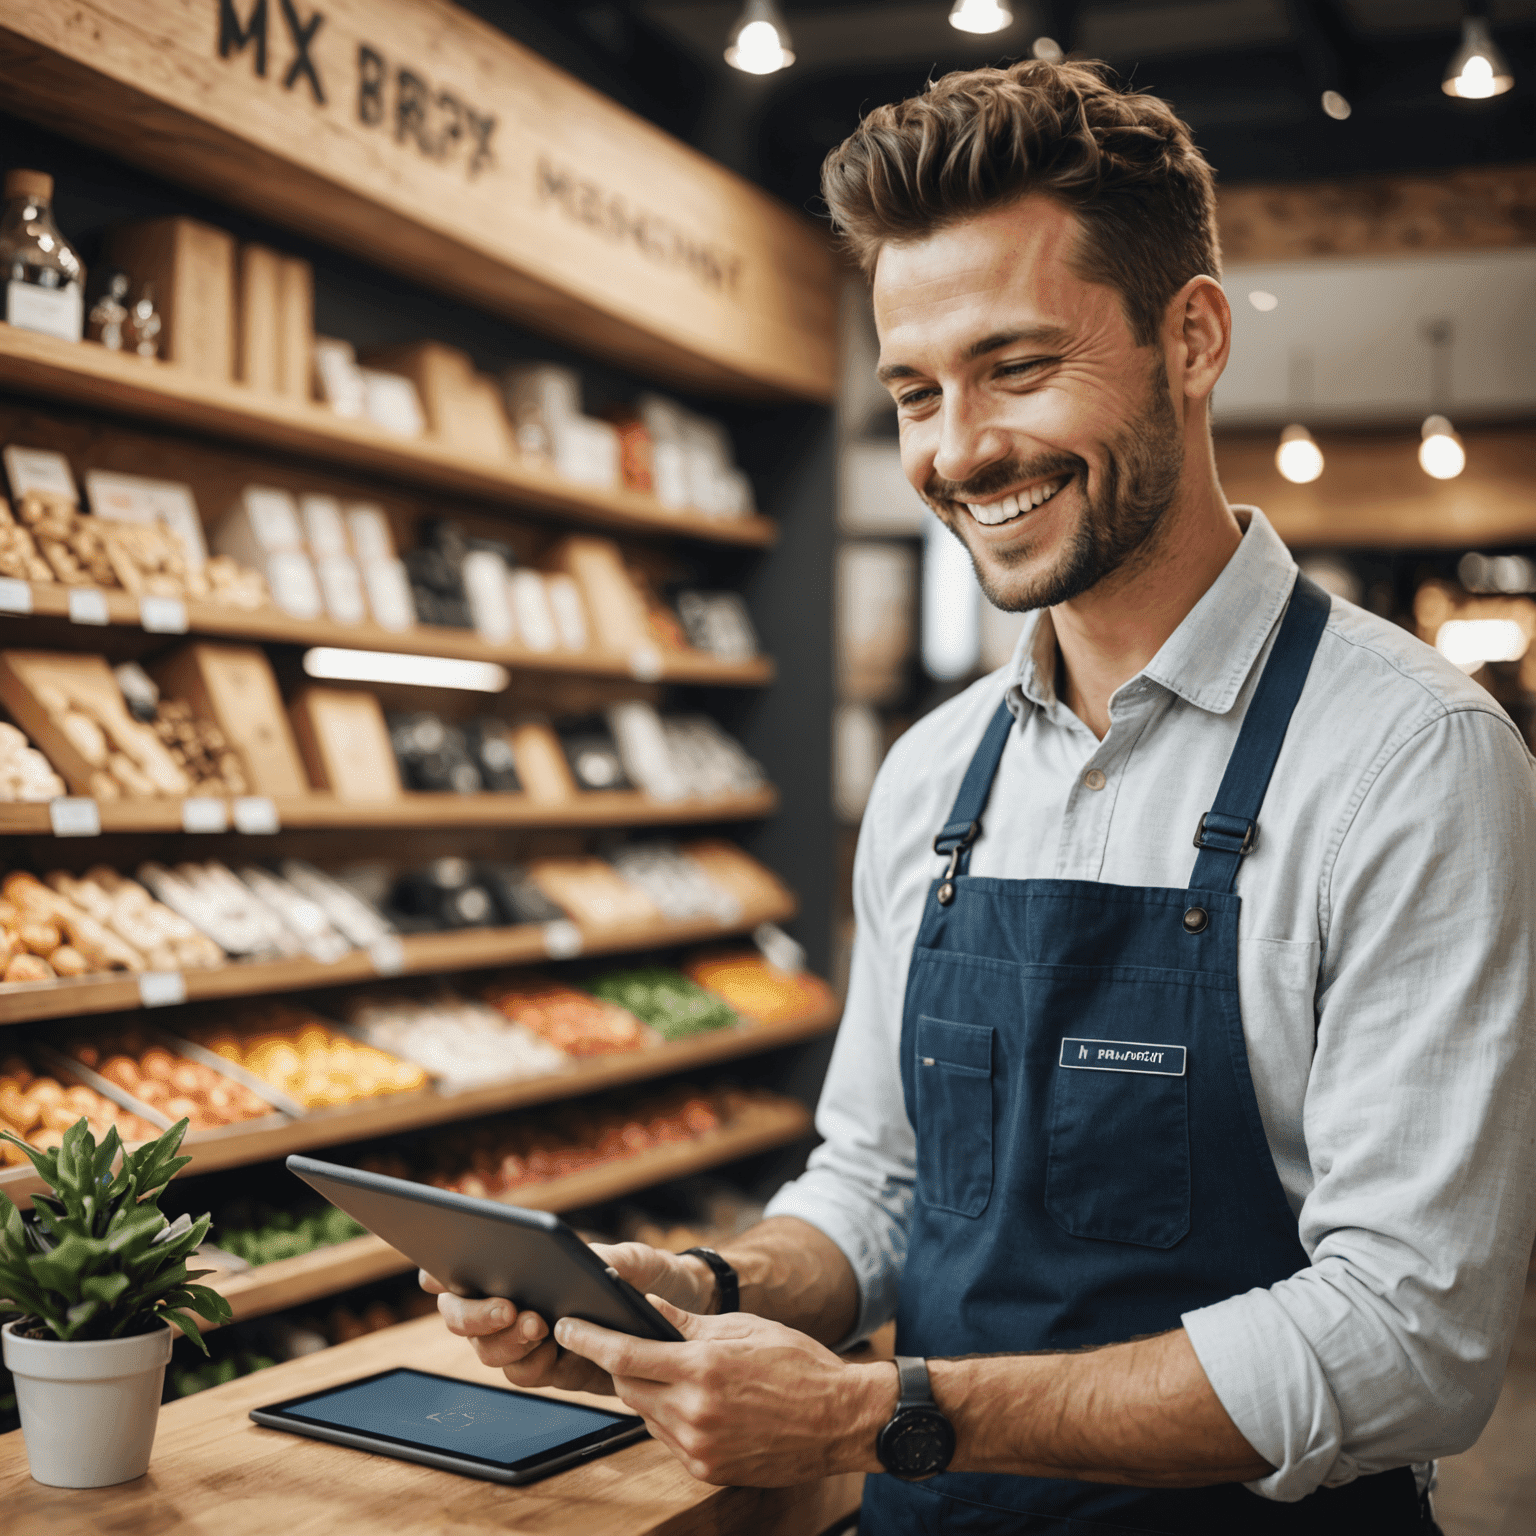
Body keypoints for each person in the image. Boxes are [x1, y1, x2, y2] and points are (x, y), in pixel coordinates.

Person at [423, 60, 1536, 1533]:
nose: (955, 451)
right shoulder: (937, 774)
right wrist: (701, 1291)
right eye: (913, 391)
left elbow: (1413, 1344)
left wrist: (871, 1413)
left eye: (1016, 367)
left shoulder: (1410, 760)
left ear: (1191, 338)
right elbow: (883, 1185)